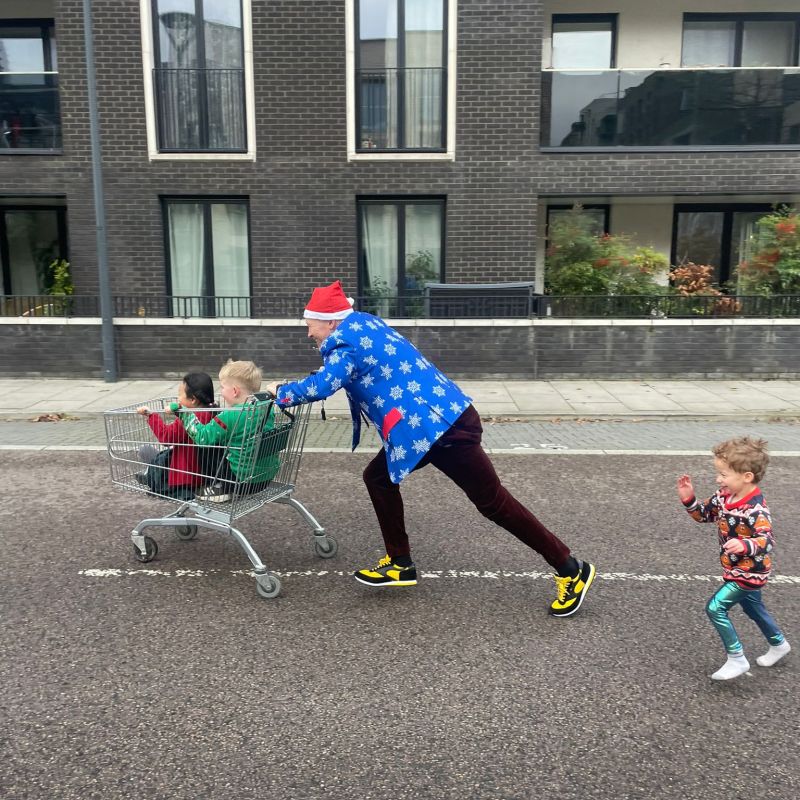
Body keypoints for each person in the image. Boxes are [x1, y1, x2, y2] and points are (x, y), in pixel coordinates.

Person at [268, 281, 596, 616]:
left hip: (441, 429)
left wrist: (281, 392)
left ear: (331, 321)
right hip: (428, 426)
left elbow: (325, 384)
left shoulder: (343, 342)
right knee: (378, 478)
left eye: (310, 325)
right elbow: (354, 368)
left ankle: (571, 569)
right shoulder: (364, 324)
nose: (309, 333)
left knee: (493, 503)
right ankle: (400, 563)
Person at [677, 436, 791, 681]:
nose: (718, 479)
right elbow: (704, 515)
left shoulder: (756, 509)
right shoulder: (724, 496)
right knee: (753, 608)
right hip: (734, 568)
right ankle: (779, 643)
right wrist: (689, 499)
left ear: (746, 477)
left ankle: (737, 658)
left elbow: (767, 540)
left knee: (715, 608)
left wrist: (744, 544)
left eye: (724, 474)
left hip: (751, 572)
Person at [181, 360, 280, 503]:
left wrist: (183, 413)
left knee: (207, 445)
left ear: (235, 391)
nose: (220, 391)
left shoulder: (230, 415)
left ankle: (221, 487)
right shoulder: (265, 407)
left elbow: (202, 438)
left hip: (240, 481)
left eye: (222, 387)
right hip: (265, 476)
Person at [135, 371, 218, 498]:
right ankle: (150, 472)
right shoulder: (214, 413)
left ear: (193, 400)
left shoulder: (189, 419)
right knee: (161, 456)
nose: (178, 399)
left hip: (185, 475)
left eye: (180, 395)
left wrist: (151, 416)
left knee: (146, 451)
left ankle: (149, 474)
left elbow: (166, 437)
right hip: (205, 473)